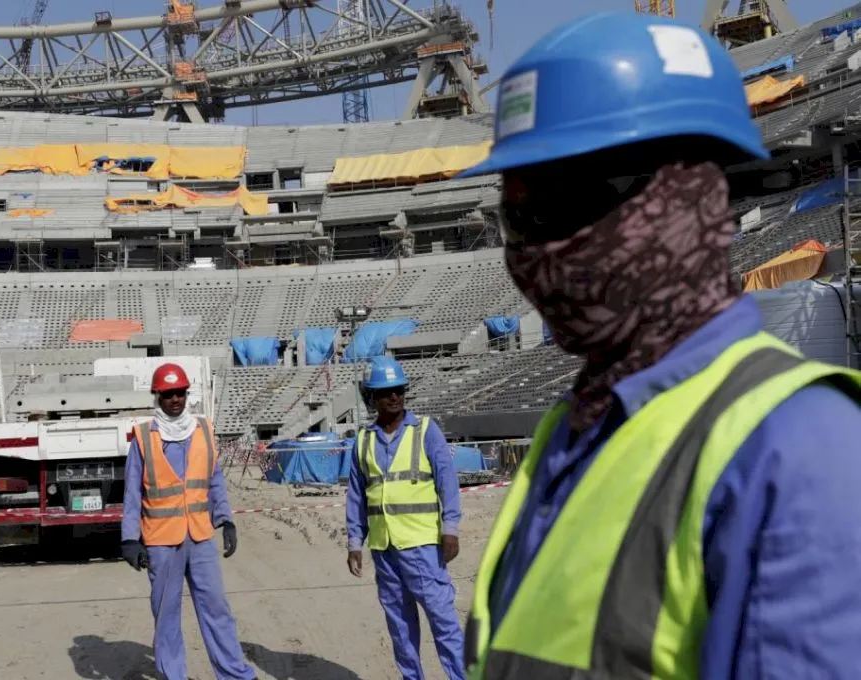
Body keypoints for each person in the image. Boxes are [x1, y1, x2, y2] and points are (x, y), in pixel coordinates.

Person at [458, 13, 861, 679]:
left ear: (689, 197)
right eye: (518, 213)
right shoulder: (577, 426)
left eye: (569, 199)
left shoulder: (799, 450)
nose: (535, 246)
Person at [120, 363, 255, 680]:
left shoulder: (203, 431)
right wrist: (129, 539)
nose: (175, 399)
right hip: (161, 542)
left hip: (200, 538)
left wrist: (226, 520)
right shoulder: (142, 438)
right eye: (167, 394)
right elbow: (131, 492)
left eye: (179, 392)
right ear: (157, 397)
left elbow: (215, 480)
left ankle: (236, 674)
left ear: (187, 394)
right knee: (166, 615)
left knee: (217, 610)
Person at [346, 356, 465, 680]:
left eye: (398, 390)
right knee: (400, 628)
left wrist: (450, 529)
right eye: (386, 392)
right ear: (372, 397)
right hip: (385, 549)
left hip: (423, 545)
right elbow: (357, 496)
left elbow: (447, 483)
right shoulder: (363, 442)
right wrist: (354, 543)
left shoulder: (426, 431)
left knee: (443, 623)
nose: (394, 397)